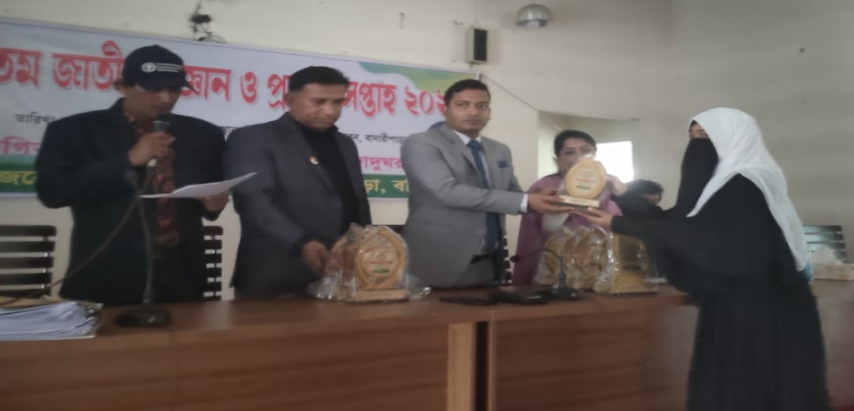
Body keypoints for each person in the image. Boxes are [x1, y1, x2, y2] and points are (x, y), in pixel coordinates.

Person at [580, 107, 837, 411]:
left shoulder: (746, 182)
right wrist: (624, 193)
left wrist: (619, 223)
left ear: (734, 139)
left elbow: (702, 238)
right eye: (692, 136)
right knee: (736, 389)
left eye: (705, 136)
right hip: (739, 303)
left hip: (764, 308)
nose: (697, 146)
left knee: (754, 391)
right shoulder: (723, 186)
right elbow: (681, 223)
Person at [36, 45, 228, 306]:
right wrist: (128, 160)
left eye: (174, 89)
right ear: (122, 86)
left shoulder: (204, 134)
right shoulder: (74, 131)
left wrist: (215, 204)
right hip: (108, 273)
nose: (165, 98)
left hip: (182, 277)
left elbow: (211, 192)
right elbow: (53, 192)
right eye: (153, 88)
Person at [400, 79, 571, 289]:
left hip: (489, 261)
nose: (473, 112)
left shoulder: (499, 150)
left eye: (482, 106)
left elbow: (512, 193)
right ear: (445, 110)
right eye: (463, 105)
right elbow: (447, 192)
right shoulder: (422, 142)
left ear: (489, 112)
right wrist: (525, 200)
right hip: (438, 261)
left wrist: (538, 195)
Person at [225, 66, 371, 298]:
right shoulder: (253, 139)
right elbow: (255, 201)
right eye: (319, 102)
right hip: (277, 275)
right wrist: (301, 242)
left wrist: (363, 244)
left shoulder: (345, 144)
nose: (330, 110)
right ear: (290, 100)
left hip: (341, 273)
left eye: (338, 102)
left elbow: (356, 201)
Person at [512, 130, 624, 286]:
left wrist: (622, 193)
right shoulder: (545, 187)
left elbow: (622, 225)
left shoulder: (610, 185)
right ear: (558, 160)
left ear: (594, 154)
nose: (579, 157)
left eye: (585, 150)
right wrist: (564, 196)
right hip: (556, 264)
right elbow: (540, 231)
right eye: (570, 152)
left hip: (601, 262)